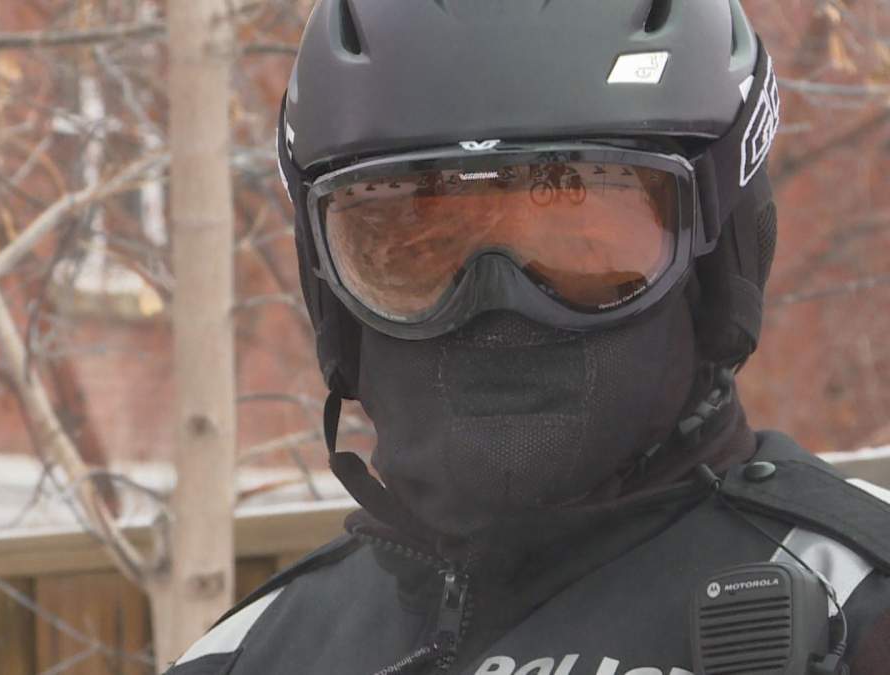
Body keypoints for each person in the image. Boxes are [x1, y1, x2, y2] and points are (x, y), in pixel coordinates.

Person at [167, 2, 890, 673]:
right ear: (330, 287)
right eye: (416, 249)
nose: (498, 304)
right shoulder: (250, 655)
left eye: (578, 243)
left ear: (718, 255)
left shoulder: (859, 612)